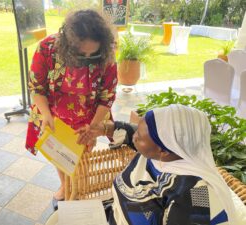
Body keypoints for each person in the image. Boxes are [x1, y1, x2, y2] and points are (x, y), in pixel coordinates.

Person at [76, 104, 239, 225]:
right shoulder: (161, 151)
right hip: (107, 214)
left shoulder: (195, 193)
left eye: (139, 137)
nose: (134, 138)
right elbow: (131, 132)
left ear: (164, 150)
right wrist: (104, 128)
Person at [25, 9, 118, 202]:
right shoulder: (47, 48)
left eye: (93, 54)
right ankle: (66, 186)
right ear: (68, 43)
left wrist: (94, 126)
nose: (87, 57)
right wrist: (46, 116)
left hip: (88, 117)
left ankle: (75, 189)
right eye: (81, 53)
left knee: (80, 160)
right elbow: (36, 87)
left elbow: (106, 95)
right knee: (60, 154)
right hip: (54, 115)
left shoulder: (106, 54)